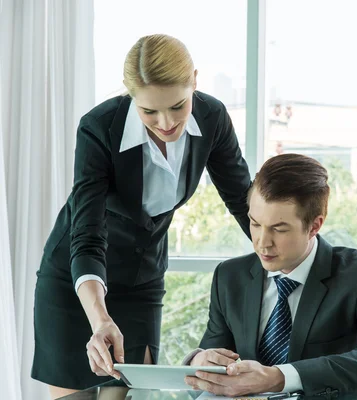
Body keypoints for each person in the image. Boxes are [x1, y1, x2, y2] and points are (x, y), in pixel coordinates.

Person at [31, 34, 252, 399]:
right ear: (131, 96)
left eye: (178, 106)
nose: (165, 123)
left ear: (194, 81)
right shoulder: (99, 127)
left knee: (132, 394)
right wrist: (100, 318)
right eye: (149, 111)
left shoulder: (212, 118)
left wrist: (293, 256)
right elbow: (86, 234)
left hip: (140, 279)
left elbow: (242, 200)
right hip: (77, 283)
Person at [183, 154, 357, 397]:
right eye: (255, 224)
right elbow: (212, 364)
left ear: (314, 226)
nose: (262, 243)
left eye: (279, 229)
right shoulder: (230, 276)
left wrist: (279, 377)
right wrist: (198, 360)